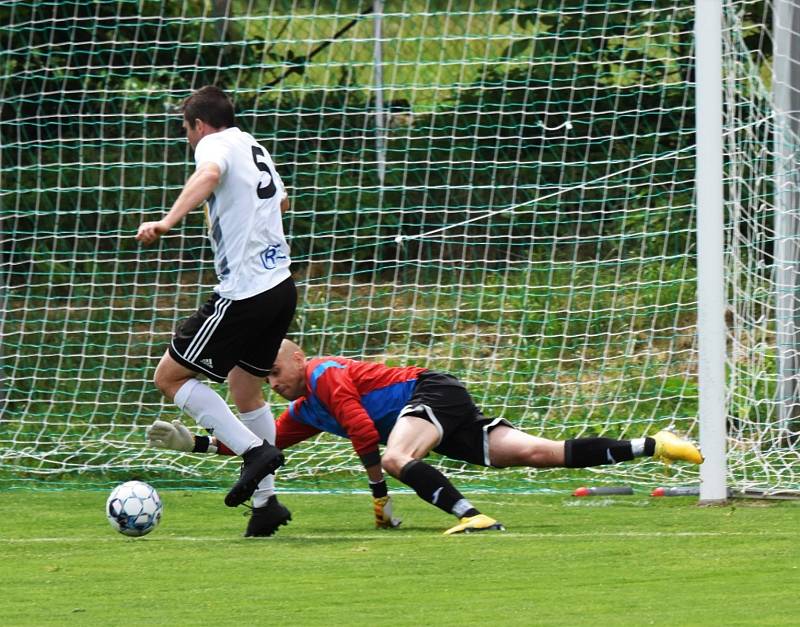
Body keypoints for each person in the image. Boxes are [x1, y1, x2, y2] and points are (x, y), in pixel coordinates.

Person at [148, 339, 705, 535]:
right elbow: (258, 446)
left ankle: (473, 516)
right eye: (267, 378)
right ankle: (654, 443)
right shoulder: (303, 408)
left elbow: (365, 431)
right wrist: (195, 444)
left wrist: (379, 496)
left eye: (275, 372)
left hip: (433, 394)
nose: (273, 383)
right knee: (540, 453)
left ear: (298, 357)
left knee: (393, 457)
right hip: (435, 415)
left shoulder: (323, 375)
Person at [136, 85, 297, 537]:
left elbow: (207, 174)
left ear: (199, 125)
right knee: (247, 389)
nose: (188, 138)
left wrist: (167, 221)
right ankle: (266, 505)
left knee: (169, 378)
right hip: (281, 286)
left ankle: (252, 452)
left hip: (244, 292)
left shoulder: (214, 145)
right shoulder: (252, 144)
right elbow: (281, 201)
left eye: (186, 130)